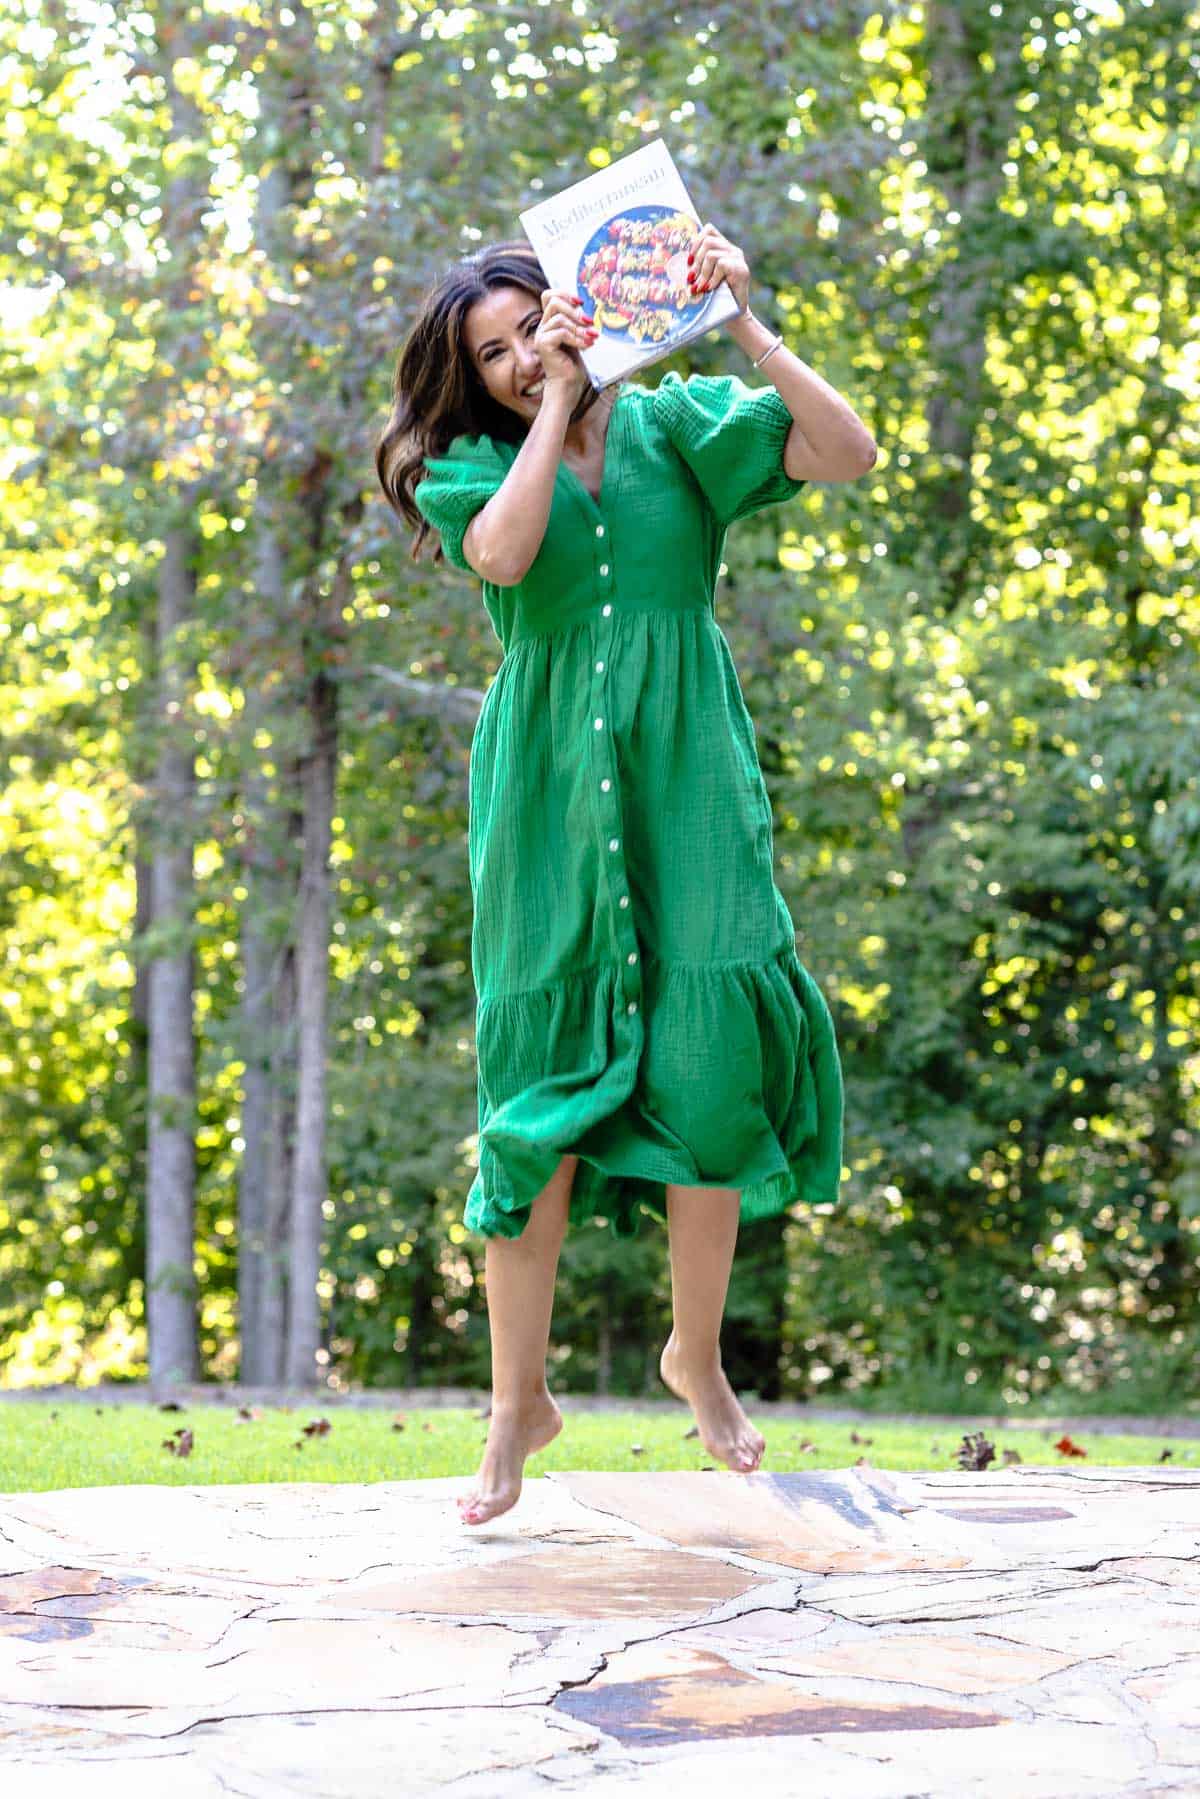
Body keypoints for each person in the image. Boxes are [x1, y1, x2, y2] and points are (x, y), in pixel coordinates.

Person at [375, 224, 875, 1527]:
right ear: (474, 377)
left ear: (577, 305)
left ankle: (694, 1358)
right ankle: (513, 1409)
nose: (511, 358)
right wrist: (549, 406)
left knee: (711, 1073)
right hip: (545, 804)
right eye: (488, 354)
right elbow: (503, 555)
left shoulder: (679, 427)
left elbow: (848, 452)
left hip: (690, 789)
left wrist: (743, 324)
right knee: (535, 1106)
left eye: (524, 327)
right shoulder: (472, 463)